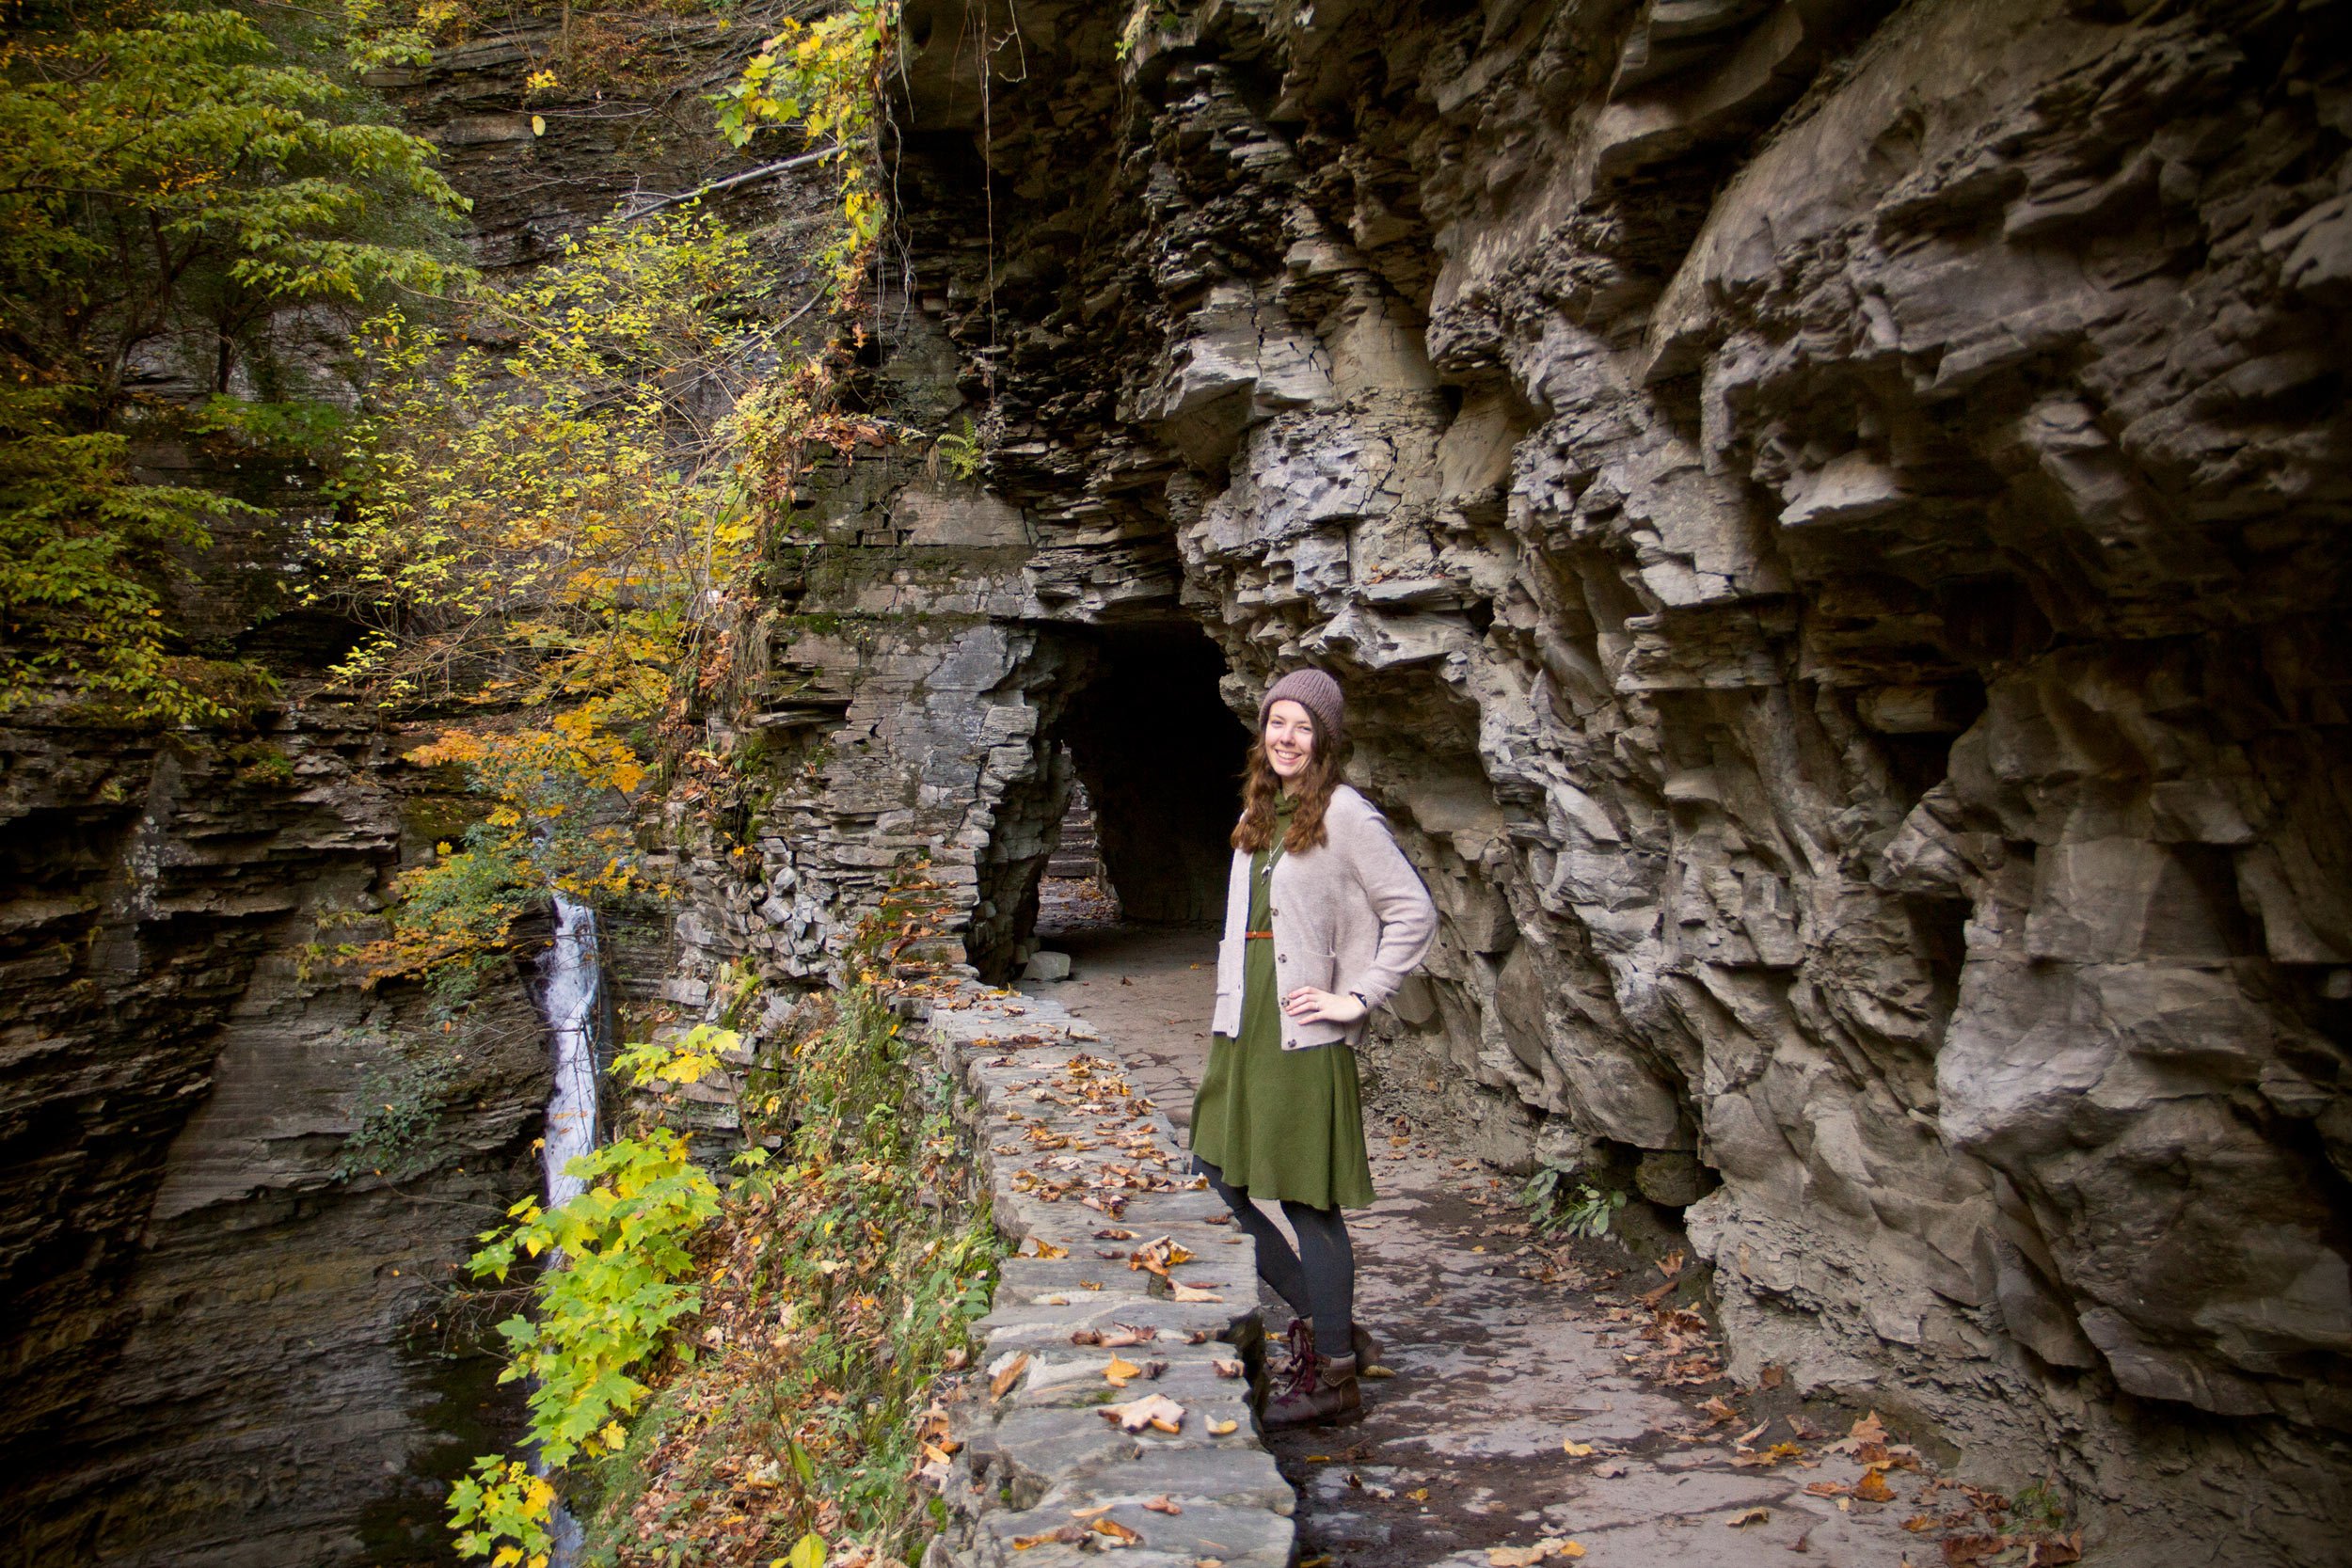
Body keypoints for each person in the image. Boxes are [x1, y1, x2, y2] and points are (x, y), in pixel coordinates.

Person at [1188, 667, 1438, 1427]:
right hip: (1245, 1022)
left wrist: (1354, 996)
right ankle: (1332, 1327)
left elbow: (1413, 913)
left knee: (1306, 1197)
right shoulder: (1261, 812)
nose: (1287, 737)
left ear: (1324, 739)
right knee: (1216, 1177)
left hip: (1302, 1026)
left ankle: (1333, 1377)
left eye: (1303, 726)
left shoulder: (1347, 814)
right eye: (1277, 723)